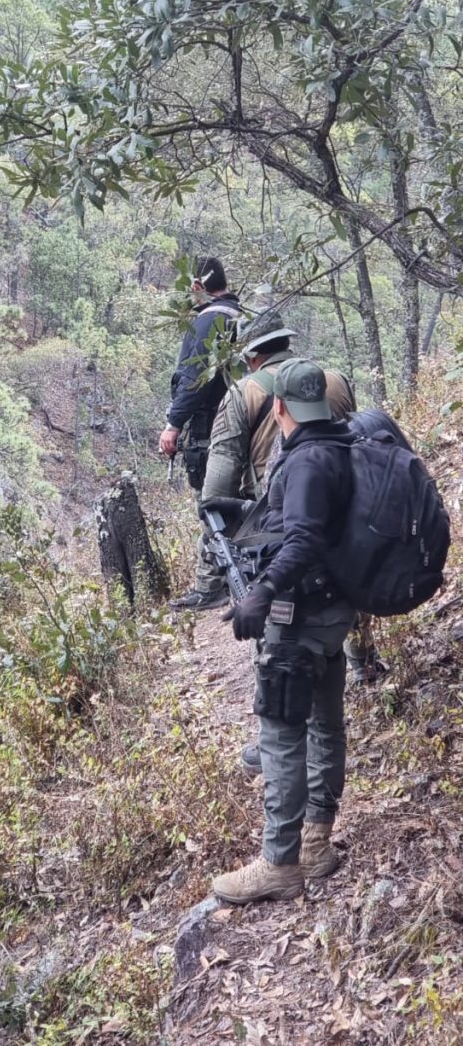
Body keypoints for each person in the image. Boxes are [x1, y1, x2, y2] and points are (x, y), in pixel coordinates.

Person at [211, 358, 357, 905]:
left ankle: (280, 862)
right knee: (324, 723)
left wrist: (260, 594)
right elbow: (309, 524)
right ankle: (317, 843)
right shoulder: (340, 446)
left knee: (281, 732)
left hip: (298, 617)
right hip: (333, 611)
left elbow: (303, 540)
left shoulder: (305, 461)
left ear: (279, 407)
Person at [171, 308, 353, 613]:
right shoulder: (335, 380)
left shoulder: (244, 392)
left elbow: (219, 484)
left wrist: (209, 578)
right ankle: (362, 656)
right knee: (346, 593)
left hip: (275, 514)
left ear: (252, 354)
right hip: (343, 502)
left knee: (280, 620)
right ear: (284, 342)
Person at [158, 257, 241, 603]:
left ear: (197, 287)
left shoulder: (210, 320)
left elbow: (194, 380)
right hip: (240, 418)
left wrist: (173, 424)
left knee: (210, 500)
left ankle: (212, 585)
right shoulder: (239, 314)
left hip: (211, 425)